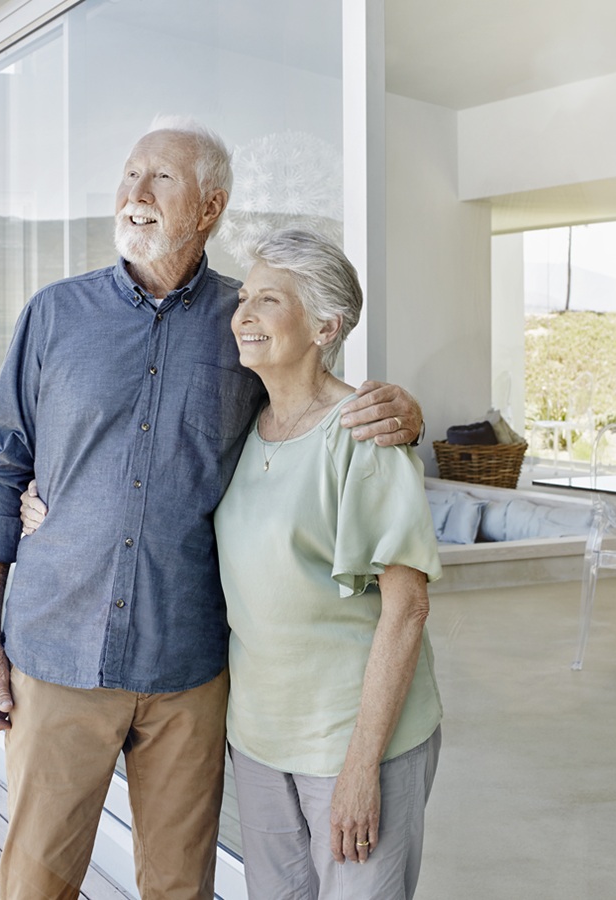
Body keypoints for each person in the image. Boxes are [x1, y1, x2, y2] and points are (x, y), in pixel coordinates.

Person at [0, 118, 424, 900]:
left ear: (210, 208)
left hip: (190, 667)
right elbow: (1, 471)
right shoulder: (53, 316)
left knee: (180, 887)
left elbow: (319, 404)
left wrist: (404, 409)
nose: (135, 194)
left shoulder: (247, 323)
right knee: (34, 885)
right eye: (130, 174)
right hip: (58, 653)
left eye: (161, 179)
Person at [218, 228, 441, 898]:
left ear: (325, 326)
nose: (245, 315)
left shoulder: (365, 433)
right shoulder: (243, 425)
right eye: (244, 297)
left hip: (353, 741)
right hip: (260, 740)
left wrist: (359, 768)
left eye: (269, 300)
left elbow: (407, 607)